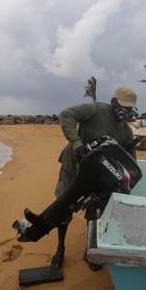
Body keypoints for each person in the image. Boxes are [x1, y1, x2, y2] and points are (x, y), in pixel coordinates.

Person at [51, 86, 138, 269]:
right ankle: (60, 248)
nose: (125, 111)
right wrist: (76, 142)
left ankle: (91, 249)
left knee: (95, 210)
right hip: (73, 166)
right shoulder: (95, 109)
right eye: (123, 106)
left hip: (98, 173)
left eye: (129, 109)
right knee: (63, 206)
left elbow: (130, 158)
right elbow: (66, 115)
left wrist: (127, 179)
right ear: (114, 101)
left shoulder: (125, 131)